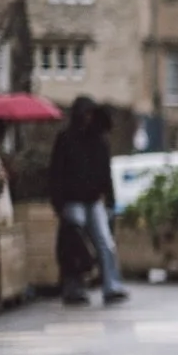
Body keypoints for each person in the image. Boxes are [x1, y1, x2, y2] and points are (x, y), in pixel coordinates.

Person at [48, 96, 127, 306]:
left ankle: (110, 285)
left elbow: (105, 172)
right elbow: (57, 173)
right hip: (74, 199)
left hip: (91, 199)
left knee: (103, 242)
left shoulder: (97, 140)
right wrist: (58, 201)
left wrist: (108, 198)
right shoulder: (67, 139)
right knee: (76, 242)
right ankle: (78, 286)